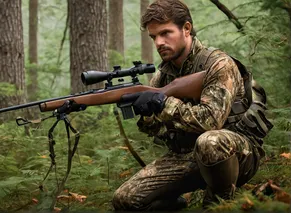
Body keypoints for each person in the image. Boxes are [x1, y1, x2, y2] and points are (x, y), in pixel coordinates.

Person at [112, 0, 273, 211]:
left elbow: (210, 122)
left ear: (186, 28)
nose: (159, 42)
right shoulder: (162, 76)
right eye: (154, 37)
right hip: (186, 156)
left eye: (165, 33)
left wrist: (165, 104)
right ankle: (177, 205)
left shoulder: (218, 64)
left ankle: (219, 204)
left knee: (210, 142)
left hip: (235, 153)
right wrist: (148, 115)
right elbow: (156, 132)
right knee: (124, 198)